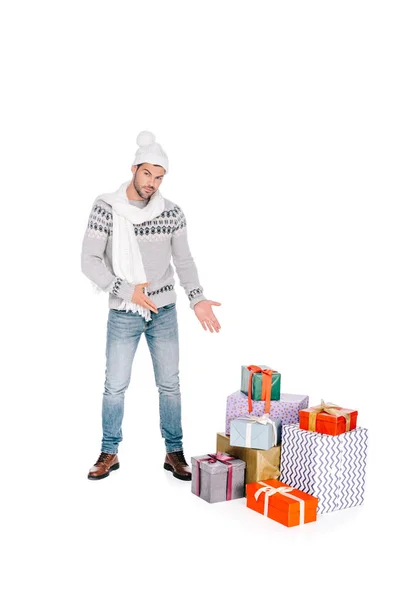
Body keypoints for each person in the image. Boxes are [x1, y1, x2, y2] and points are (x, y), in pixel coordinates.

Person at [81, 131, 221, 482]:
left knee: (170, 384)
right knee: (115, 385)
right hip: (124, 312)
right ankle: (109, 452)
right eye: (147, 174)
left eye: (159, 177)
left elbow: (184, 260)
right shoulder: (106, 207)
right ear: (134, 169)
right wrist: (126, 290)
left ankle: (174, 452)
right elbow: (90, 260)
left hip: (164, 312)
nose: (152, 183)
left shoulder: (172, 213)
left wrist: (198, 298)